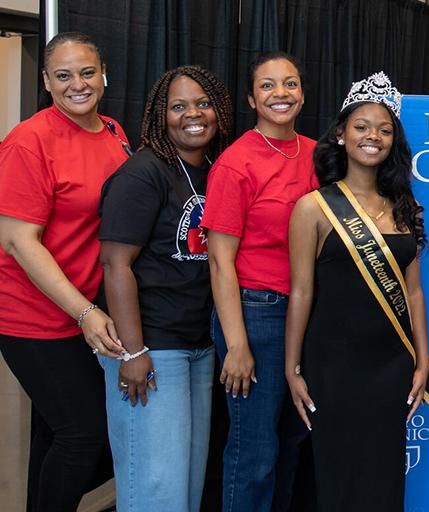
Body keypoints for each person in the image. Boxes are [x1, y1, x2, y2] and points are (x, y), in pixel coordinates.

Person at [284, 71, 429, 511]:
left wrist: (421, 360)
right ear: (340, 134)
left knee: (384, 478)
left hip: (390, 365)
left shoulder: (403, 207)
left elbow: (414, 293)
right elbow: (300, 292)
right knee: (337, 475)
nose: (373, 136)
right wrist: (292, 368)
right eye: (361, 126)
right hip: (331, 364)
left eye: (385, 129)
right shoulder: (313, 209)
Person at [0, 31, 129, 511]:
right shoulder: (29, 140)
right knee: (84, 434)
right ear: (47, 83)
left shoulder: (114, 132)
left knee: (56, 434)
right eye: (64, 75)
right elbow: (18, 240)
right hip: (34, 316)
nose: (78, 84)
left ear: (103, 74)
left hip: (84, 307)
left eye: (87, 72)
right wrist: (85, 313)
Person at [97, 65, 232, 512]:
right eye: (178, 106)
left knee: (186, 489)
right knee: (154, 489)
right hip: (152, 346)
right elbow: (116, 266)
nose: (192, 114)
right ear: (160, 114)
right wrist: (133, 353)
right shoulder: (143, 173)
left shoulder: (216, 169)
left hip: (197, 344)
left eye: (202, 103)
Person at [200, 51, 319, 512]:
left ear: (303, 93)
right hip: (257, 315)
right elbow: (219, 262)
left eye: (289, 84)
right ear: (252, 98)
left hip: (307, 314)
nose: (280, 94)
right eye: (267, 86)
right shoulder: (236, 164)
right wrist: (236, 345)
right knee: (256, 451)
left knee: (292, 441)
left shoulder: (317, 153)